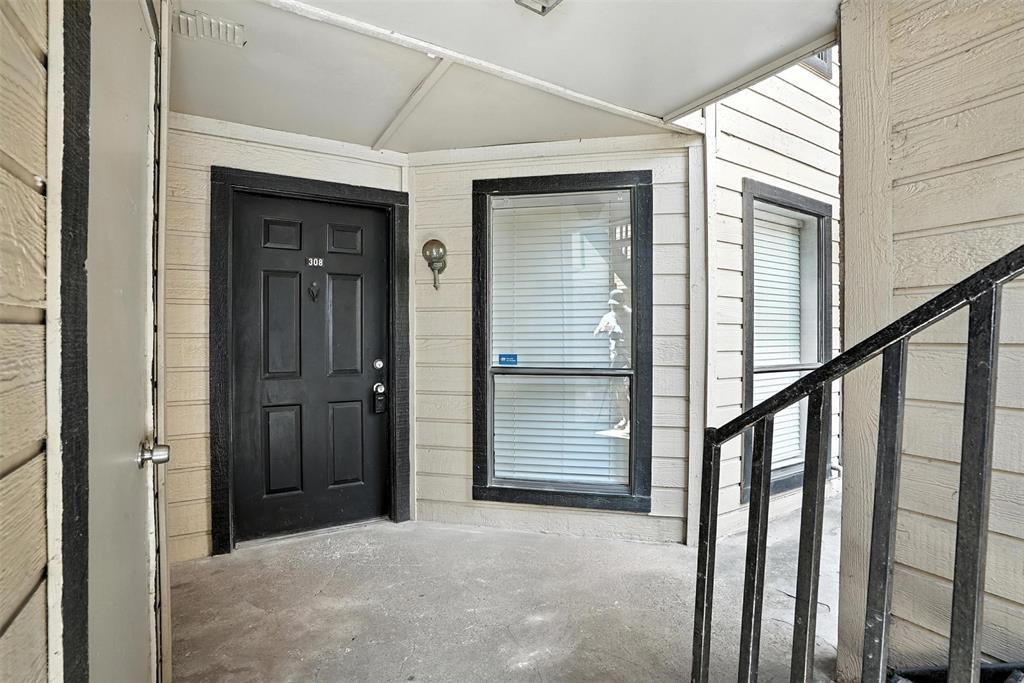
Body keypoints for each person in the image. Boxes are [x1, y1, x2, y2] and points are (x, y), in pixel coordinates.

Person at [593, 289, 631, 431]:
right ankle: (625, 418)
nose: (614, 308)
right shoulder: (608, 317)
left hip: (630, 357)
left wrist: (622, 335)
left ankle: (631, 421)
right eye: (612, 305)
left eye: (616, 305)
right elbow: (595, 334)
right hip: (616, 358)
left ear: (623, 303)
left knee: (628, 388)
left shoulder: (631, 315)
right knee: (617, 390)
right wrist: (603, 329)